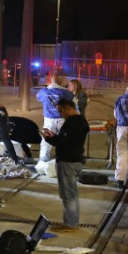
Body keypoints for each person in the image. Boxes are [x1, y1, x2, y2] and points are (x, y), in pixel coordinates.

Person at [41, 99, 90, 231]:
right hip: (74, 160)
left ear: (68, 108)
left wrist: (49, 139)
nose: (60, 114)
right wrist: (54, 136)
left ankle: (70, 224)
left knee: (68, 194)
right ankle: (71, 221)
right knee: (71, 194)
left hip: (68, 161)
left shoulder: (73, 123)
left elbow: (65, 143)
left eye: (61, 111)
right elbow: (66, 140)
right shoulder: (79, 121)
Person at [36, 70, 75, 164]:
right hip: (63, 119)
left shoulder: (43, 92)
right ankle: (64, 159)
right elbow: (72, 98)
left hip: (49, 119)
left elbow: (38, 98)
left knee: (46, 139)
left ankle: (43, 159)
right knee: (64, 139)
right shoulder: (65, 92)